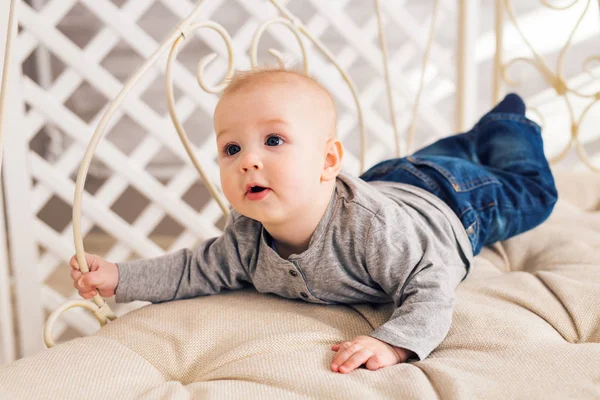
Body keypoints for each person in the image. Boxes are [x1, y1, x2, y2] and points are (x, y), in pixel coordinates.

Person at [70, 68, 557, 374]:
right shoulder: (245, 237)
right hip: (388, 177)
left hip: (450, 204)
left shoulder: (371, 231)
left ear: (328, 162)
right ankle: (465, 143)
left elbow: (431, 283)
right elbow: (191, 270)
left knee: (534, 193)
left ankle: (509, 122)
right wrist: (118, 278)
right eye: (231, 148)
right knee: (442, 156)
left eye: (274, 140)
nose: (247, 161)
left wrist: (395, 345)